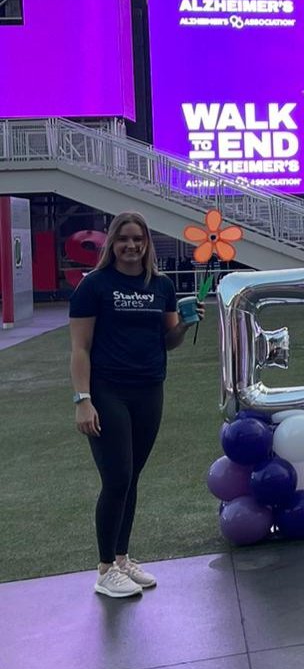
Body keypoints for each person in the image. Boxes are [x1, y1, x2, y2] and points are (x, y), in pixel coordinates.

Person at [68, 212, 204, 599]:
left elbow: (169, 340)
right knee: (117, 478)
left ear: (147, 244)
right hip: (107, 390)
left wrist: (185, 324)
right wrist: (83, 400)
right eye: (124, 239)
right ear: (112, 243)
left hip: (149, 389)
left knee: (132, 477)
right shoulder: (93, 287)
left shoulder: (160, 285)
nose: (132, 246)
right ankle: (105, 568)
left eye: (139, 240)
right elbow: (80, 348)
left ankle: (122, 558)